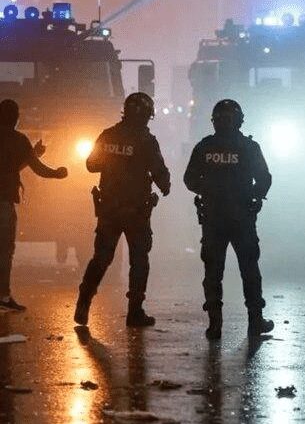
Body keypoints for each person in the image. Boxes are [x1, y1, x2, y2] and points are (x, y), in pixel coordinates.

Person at [74, 92, 170, 327]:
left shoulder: (108, 136)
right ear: (148, 115)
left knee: (102, 258)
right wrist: (165, 185)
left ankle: (84, 302)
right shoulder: (147, 141)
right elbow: (160, 174)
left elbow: (91, 165)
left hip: (109, 209)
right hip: (136, 211)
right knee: (139, 260)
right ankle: (135, 312)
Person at [183, 99, 274, 339]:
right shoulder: (249, 147)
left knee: (213, 272)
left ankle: (215, 325)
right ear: (239, 120)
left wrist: (211, 190)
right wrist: (252, 196)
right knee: (250, 270)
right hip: (242, 219)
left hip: (213, 219)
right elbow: (264, 178)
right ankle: (255, 322)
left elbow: (189, 180)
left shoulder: (205, 147)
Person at [0, 99, 67, 311]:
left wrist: (34, 154)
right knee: (4, 250)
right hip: (3, 203)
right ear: (16, 118)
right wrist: (57, 173)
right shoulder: (19, 140)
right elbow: (36, 169)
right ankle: (2, 296)